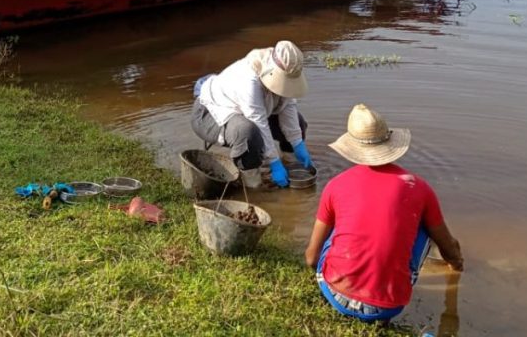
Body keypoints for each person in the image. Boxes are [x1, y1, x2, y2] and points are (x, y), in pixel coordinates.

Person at [304, 103, 463, 323]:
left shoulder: (335, 185)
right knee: (425, 227)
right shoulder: (419, 188)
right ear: (390, 144)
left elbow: (311, 258)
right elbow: (448, 247)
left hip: (335, 295)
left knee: (337, 225)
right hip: (386, 308)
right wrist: (456, 265)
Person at [191, 40, 314, 188]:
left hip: (250, 113)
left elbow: (288, 108)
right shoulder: (248, 80)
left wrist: (298, 143)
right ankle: (253, 184)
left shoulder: (288, 70)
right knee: (248, 132)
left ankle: (290, 164)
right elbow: (258, 123)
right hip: (209, 114)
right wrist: (274, 162)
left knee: (299, 122)